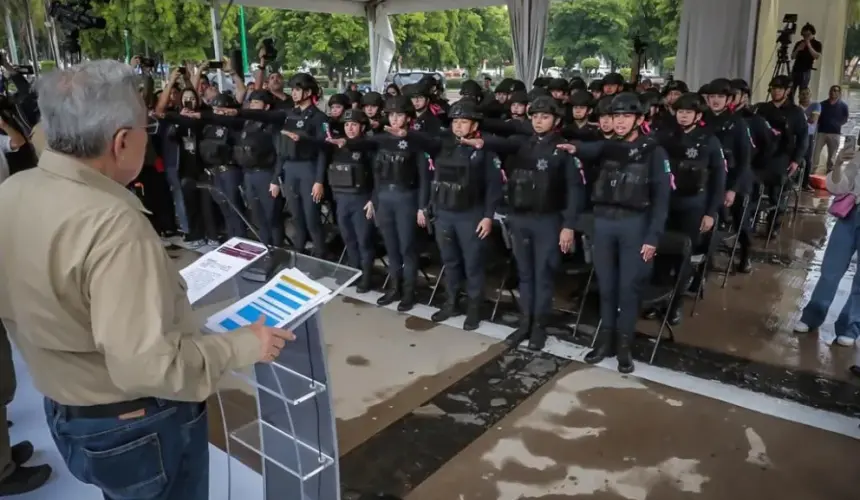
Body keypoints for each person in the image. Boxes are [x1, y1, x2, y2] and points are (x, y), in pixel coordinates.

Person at [0, 60, 296, 500]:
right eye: (146, 126)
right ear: (121, 141)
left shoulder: (15, 191)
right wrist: (246, 345)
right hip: (137, 423)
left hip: (70, 409)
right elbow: (147, 365)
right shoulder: (111, 223)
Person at [795, 147, 860, 347]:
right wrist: (839, 164)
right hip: (850, 216)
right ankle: (812, 316)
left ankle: (850, 326)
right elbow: (838, 187)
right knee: (830, 270)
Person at [813, 85, 849, 173]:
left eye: (836, 91)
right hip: (821, 132)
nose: (834, 92)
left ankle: (829, 174)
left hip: (835, 133)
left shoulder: (843, 106)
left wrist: (837, 124)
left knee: (832, 157)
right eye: (832, 90)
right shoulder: (822, 104)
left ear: (839, 93)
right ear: (829, 92)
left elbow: (845, 118)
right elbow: (817, 116)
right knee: (815, 154)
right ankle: (812, 171)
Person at [790, 23, 822, 97]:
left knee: (803, 92)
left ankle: (801, 106)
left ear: (812, 34)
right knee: (791, 90)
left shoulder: (817, 43)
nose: (805, 37)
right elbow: (792, 57)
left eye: (807, 35)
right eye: (803, 35)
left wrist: (809, 45)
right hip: (795, 69)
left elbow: (817, 56)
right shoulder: (799, 43)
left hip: (806, 70)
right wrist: (798, 49)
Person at [798, 87, 820, 190]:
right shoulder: (796, 107)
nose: (805, 95)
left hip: (809, 135)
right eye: (802, 93)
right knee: (796, 158)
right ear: (799, 96)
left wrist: (802, 118)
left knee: (808, 159)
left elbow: (813, 120)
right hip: (797, 135)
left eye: (807, 93)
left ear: (810, 95)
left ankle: (805, 183)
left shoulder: (816, 105)